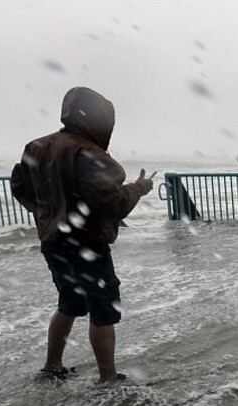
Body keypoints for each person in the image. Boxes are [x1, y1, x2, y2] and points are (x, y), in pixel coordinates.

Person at [10, 86, 155, 383]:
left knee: (69, 302)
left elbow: (20, 186)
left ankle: (52, 366)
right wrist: (138, 189)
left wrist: (48, 214)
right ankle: (108, 377)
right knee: (101, 309)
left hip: (53, 242)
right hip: (87, 243)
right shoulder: (92, 155)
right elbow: (112, 204)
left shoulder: (37, 146)